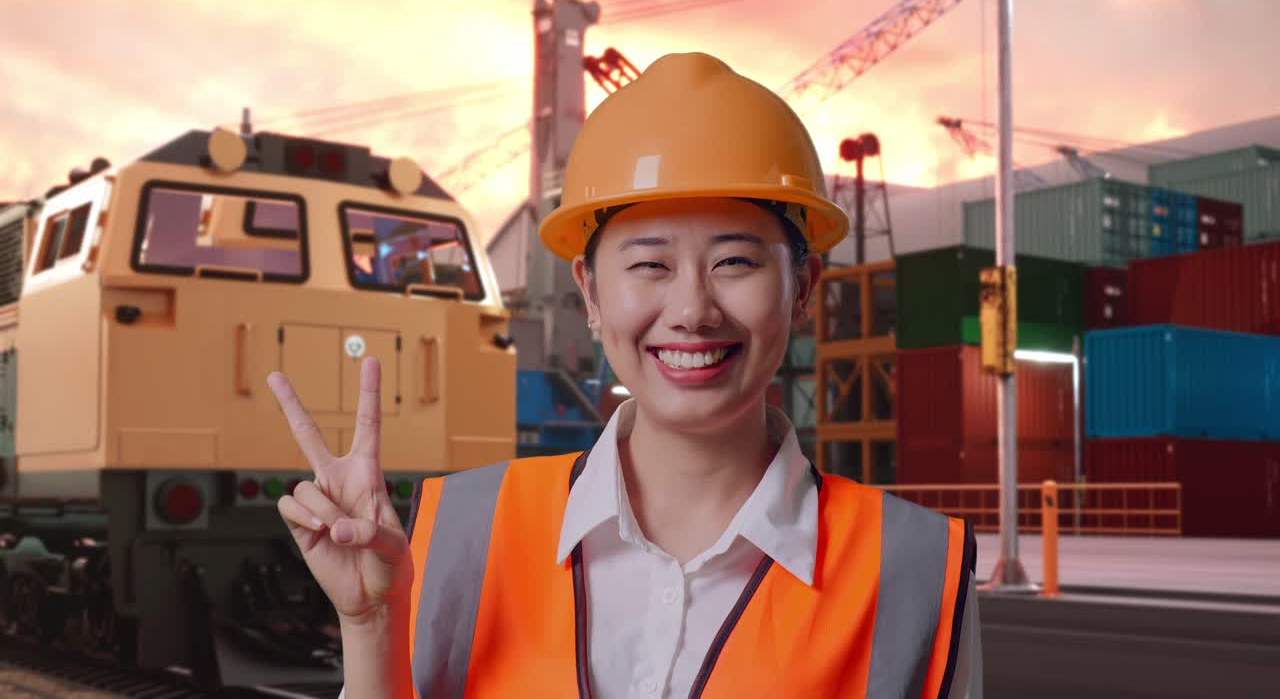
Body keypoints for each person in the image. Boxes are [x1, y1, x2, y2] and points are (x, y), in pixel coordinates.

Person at [268, 51, 981, 699]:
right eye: (650, 265)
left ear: (802, 288)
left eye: (735, 261)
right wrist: (370, 628)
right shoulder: (458, 533)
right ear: (590, 292)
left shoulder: (916, 567)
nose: (693, 310)